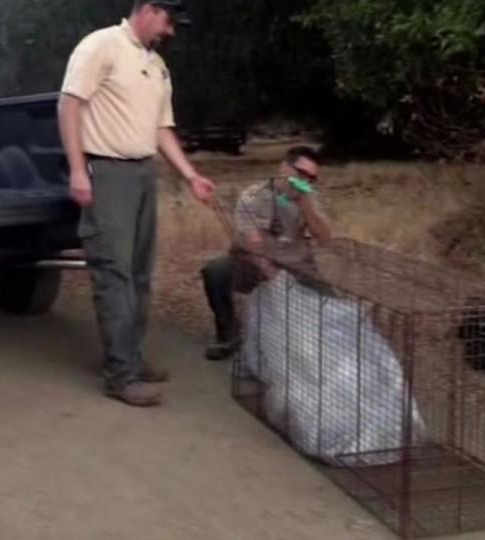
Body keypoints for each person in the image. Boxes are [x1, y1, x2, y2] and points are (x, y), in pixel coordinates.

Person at [58, 0, 215, 407]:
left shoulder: (156, 66)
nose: (171, 32)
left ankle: (131, 355)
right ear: (147, 9)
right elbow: (69, 105)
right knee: (115, 272)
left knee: (140, 273)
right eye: (168, 21)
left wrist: (190, 175)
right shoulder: (101, 45)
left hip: (144, 174)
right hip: (107, 173)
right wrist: (78, 170)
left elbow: (162, 129)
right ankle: (120, 375)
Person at [200, 145, 332, 361]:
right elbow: (251, 243)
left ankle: (322, 347)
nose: (305, 180)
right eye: (301, 173)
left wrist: (306, 204)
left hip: (298, 265)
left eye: (311, 178)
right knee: (216, 271)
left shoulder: (309, 198)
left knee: (333, 303)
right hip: (256, 263)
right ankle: (228, 335)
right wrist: (275, 278)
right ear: (284, 168)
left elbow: (325, 239)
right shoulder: (253, 195)